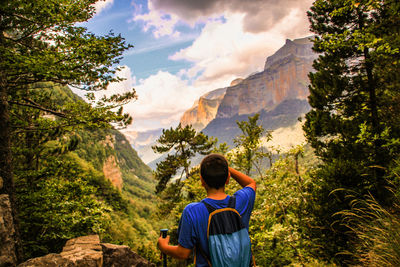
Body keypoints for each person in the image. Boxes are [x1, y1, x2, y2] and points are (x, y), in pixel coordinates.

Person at [157, 153, 256, 266]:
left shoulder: (192, 211)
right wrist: (224, 168)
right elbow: (251, 183)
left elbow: (183, 253)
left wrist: (163, 246)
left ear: (202, 181)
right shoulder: (242, 201)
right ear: (228, 178)